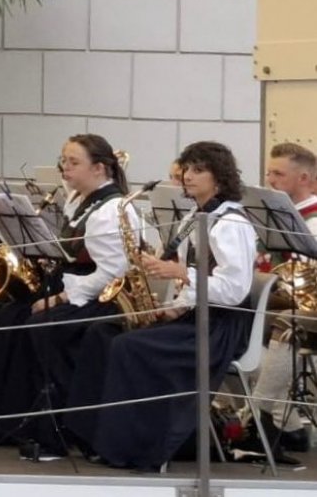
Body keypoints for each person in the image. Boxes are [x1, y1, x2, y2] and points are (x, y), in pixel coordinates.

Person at [67, 141, 261, 471]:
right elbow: (192, 286)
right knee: (102, 333)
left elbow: (233, 290)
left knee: (130, 347)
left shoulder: (231, 223)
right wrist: (173, 306)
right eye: (187, 169)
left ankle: (137, 447)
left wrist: (181, 273)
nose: (188, 176)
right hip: (195, 316)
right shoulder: (195, 217)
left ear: (219, 177)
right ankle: (89, 435)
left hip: (220, 327)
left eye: (199, 170)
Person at [0, 134, 141, 459]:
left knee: (40, 327)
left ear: (99, 168)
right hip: (73, 287)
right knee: (6, 319)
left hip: (99, 300)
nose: (64, 168)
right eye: (63, 161)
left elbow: (111, 274)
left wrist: (59, 299)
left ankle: (53, 431)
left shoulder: (112, 210)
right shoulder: (80, 200)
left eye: (73, 162)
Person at [254, 141, 317, 453]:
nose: (270, 180)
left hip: (304, 306)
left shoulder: (313, 220)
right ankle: (286, 425)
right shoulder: (271, 215)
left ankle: (258, 413)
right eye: (269, 172)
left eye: (278, 174)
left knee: (282, 323)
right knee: (225, 317)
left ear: (303, 178)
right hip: (283, 297)